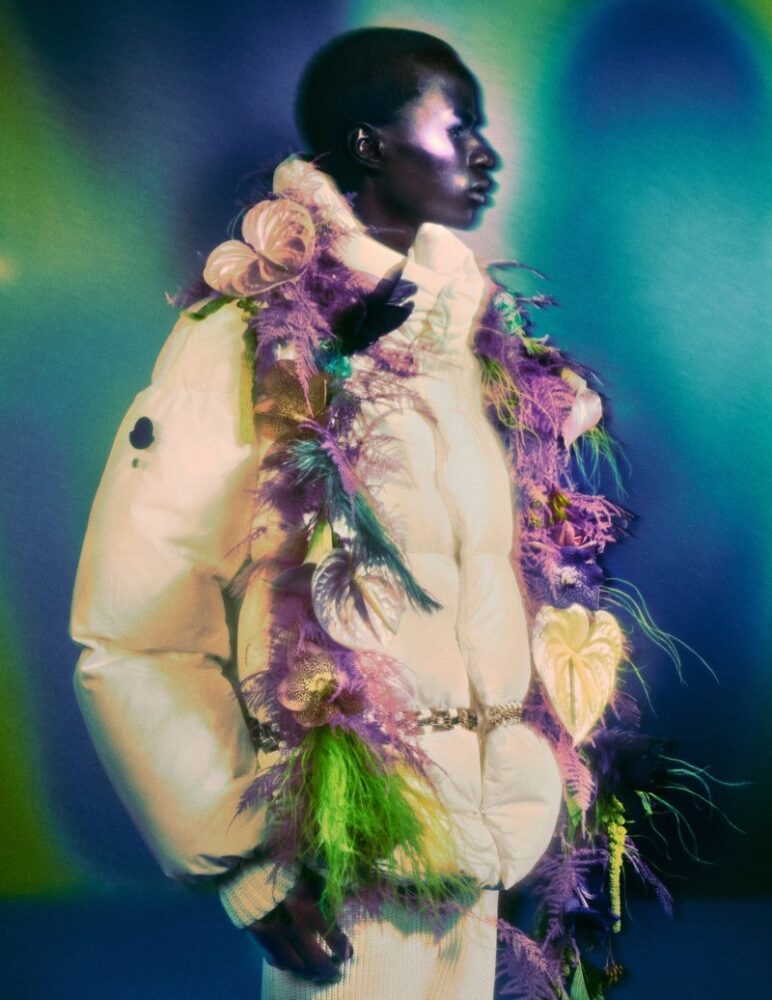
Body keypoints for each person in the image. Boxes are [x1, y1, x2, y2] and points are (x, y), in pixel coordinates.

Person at [72, 27, 588, 998]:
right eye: (458, 128)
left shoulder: (472, 348)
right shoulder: (244, 341)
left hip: (482, 871)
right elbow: (138, 625)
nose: (485, 155)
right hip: (341, 875)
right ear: (369, 145)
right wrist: (247, 868)